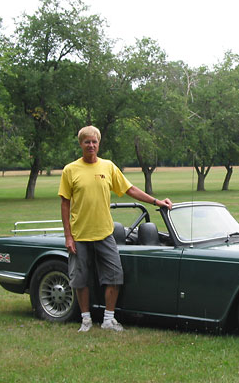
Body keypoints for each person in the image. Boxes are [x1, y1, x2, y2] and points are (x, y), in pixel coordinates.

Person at [58, 125, 172, 332]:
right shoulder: (70, 170)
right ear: (81, 144)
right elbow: (65, 203)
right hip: (79, 234)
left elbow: (130, 189)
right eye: (87, 142)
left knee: (114, 275)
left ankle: (108, 320)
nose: (91, 145)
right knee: (80, 278)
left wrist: (156, 201)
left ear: (99, 144)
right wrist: (68, 236)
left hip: (104, 232)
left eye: (94, 141)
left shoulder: (108, 167)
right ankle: (86, 320)